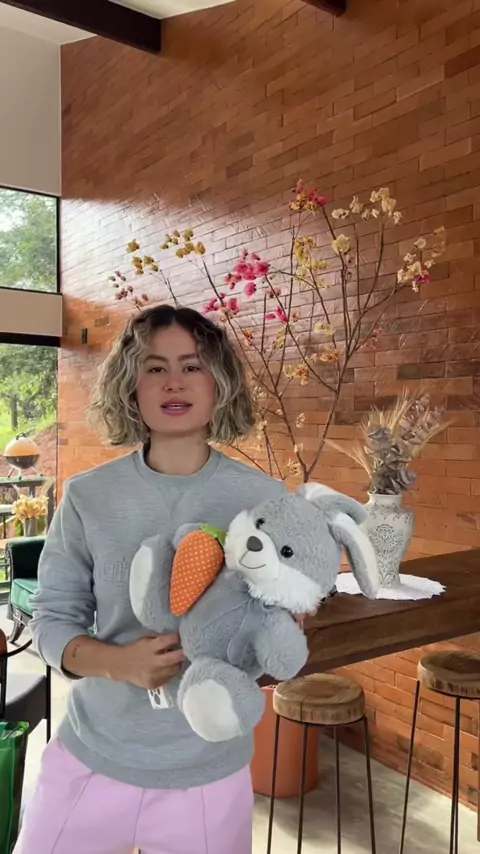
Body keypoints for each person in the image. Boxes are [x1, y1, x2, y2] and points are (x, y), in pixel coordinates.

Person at [14, 304, 287, 854]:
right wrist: (119, 663)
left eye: (192, 366)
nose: (173, 382)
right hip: (91, 757)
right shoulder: (89, 496)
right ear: (131, 386)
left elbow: (272, 629)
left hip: (208, 770)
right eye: (155, 367)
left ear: (220, 383)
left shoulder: (263, 500)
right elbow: (51, 620)